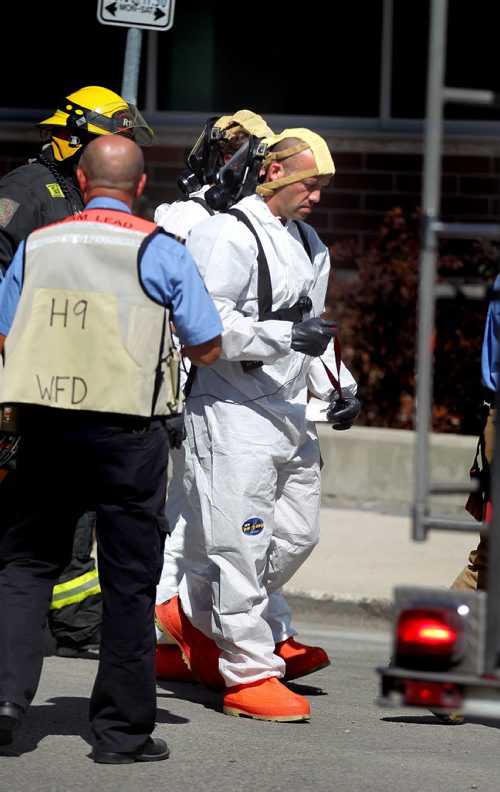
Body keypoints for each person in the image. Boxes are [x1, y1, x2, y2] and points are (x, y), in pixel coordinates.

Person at [0, 134, 222, 760]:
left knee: (24, 565)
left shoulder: (38, 245)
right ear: (142, 187)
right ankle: (121, 735)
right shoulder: (161, 249)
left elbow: (3, 331)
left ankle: (6, 696)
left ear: (80, 178)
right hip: (129, 433)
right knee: (129, 580)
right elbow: (207, 344)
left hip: (47, 428)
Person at [155, 128, 360, 721]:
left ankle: (194, 611)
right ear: (272, 174)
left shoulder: (310, 242)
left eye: (322, 186)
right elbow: (200, 326)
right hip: (231, 410)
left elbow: (313, 327)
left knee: (297, 535)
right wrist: (279, 337)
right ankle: (247, 672)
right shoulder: (226, 234)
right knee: (238, 545)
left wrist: (337, 388)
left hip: (290, 411)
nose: (317, 196)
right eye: (309, 184)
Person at [0, 85, 155, 658]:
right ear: (74, 139)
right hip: (28, 376)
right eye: (109, 139)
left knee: (71, 503)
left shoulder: (74, 195)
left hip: (74, 376)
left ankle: (69, 620)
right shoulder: (24, 193)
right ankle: (68, 622)